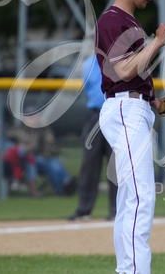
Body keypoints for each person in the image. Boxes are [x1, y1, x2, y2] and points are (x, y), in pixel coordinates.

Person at [95, 0, 165, 274]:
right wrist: (157, 42)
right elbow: (123, 69)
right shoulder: (113, 20)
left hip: (135, 107)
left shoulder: (128, 22)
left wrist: (156, 101)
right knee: (140, 197)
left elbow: (134, 74)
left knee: (133, 198)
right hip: (125, 108)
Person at [67, 53, 117, 221]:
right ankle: (83, 210)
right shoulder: (88, 63)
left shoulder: (118, 59)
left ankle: (116, 210)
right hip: (94, 115)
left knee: (115, 165)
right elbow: (88, 89)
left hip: (115, 115)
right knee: (89, 164)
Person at [7, 113, 77, 196]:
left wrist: (43, 129)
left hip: (45, 156)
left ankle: (67, 183)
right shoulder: (18, 130)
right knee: (49, 166)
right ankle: (62, 189)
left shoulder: (44, 130)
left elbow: (51, 145)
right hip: (28, 159)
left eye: (34, 117)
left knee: (56, 164)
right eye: (29, 117)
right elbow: (9, 139)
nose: (32, 120)